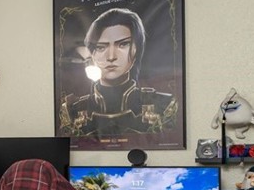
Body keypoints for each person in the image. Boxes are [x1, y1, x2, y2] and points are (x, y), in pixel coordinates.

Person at [59, 8, 177, 137]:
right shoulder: (72, 111)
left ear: (136, 49)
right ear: (92, 54)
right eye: (101, 47)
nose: (111, 57)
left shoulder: (164, 105)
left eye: (123, 44)